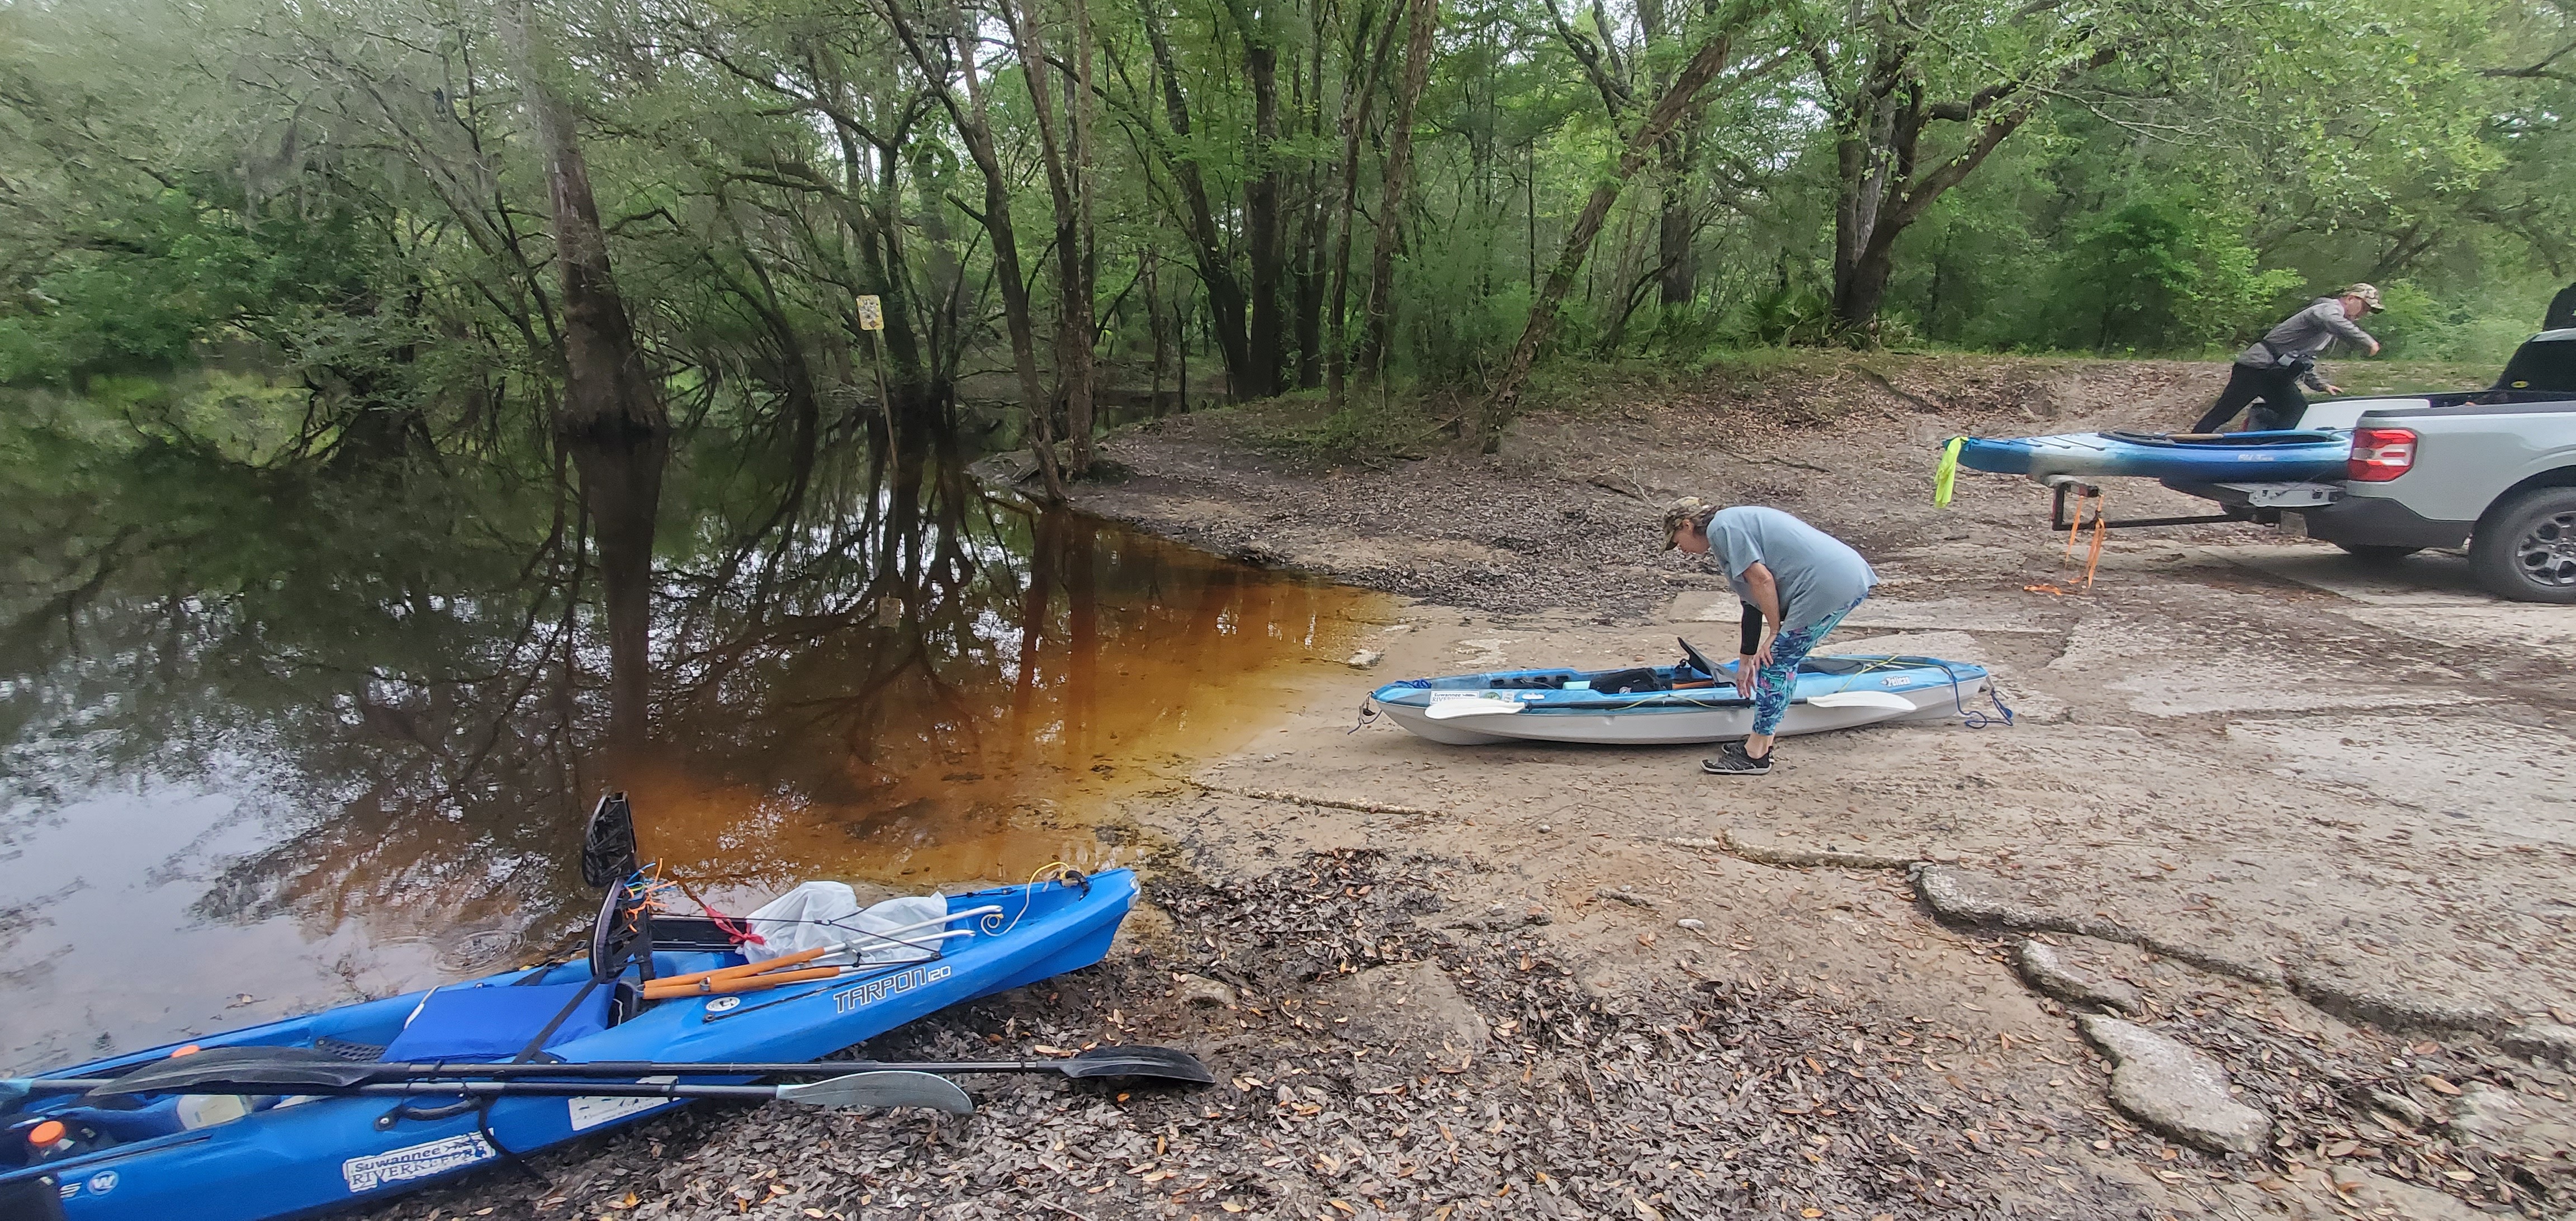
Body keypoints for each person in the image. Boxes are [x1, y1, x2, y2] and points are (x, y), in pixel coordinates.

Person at [1661, 499, 1879, 777]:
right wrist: (1745, 660)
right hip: (1840, 578)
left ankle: (1756, 755)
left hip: (1827, 585)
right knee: (1777, 661)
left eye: (1678, 541)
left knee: (1776, 664)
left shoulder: (1722, 529)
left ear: (1688, 525)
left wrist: (1775, 633)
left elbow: (1763, 581)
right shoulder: (1729, 526)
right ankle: (1760, 743)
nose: (1681, 550)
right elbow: (1751, 602)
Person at [2191, 284, 2383, 433]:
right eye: (2364, 307)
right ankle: (2191, 444)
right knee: (2223, 412)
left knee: (2296, 408)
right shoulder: (2328, 310)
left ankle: (2269, 448)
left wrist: (2321, 385)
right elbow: (2333, 320)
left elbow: (2304, 359)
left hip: (2275, 375)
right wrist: (2367, 341)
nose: (2363, 314)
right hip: (2255, 369)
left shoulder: (2329, 325)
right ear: (2350, 298)